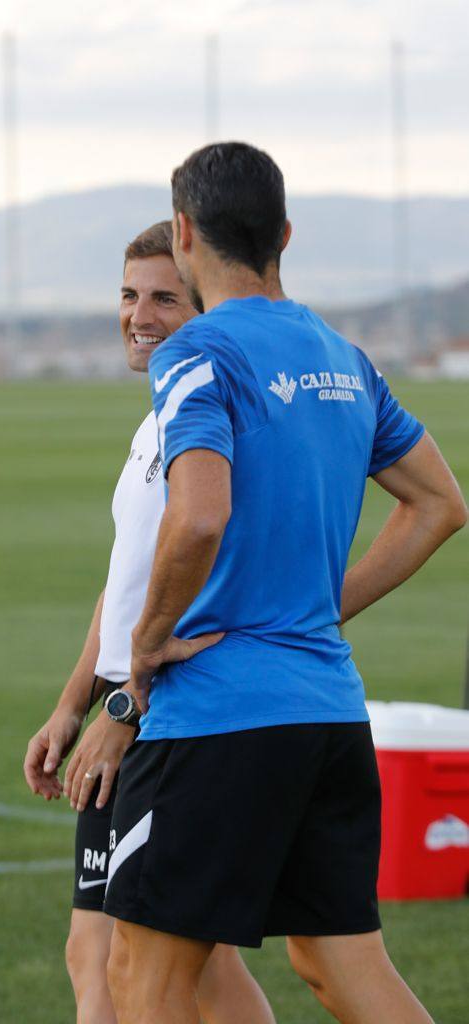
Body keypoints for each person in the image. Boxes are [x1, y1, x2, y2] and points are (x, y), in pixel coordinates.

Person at [65, 143, 467, 1024]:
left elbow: (198, 517)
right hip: (330, 714)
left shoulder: (197, 352)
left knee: (142, 975)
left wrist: (145, 647)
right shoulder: (344, 356)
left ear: (182, 233)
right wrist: (322, 609)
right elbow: (440, 505)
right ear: (284, 234)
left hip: (216, 719)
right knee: (340, 968)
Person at [24, 220, 275, 1024]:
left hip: (168, 717)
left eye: (165, 298)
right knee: (123, 956)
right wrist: (71, 704)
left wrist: (124, 711)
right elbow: (125, 583)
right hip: (126, 708)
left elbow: (201, 579)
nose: (140, 316)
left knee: (162, 963)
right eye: (130, 295)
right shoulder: (158, 416)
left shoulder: (205, 420)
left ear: (205, 306)